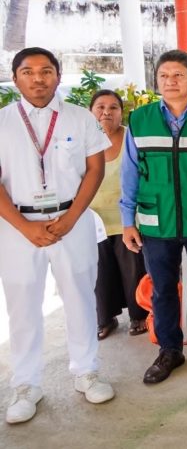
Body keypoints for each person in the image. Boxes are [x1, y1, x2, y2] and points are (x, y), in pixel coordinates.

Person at [0, 47, 114, 424]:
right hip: (19, 227)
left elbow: (94, 169)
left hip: (73, 221)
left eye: (46, 71)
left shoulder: (80, 118)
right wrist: (25, 226)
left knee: (80, 296)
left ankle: (86, 371)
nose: (38, 79)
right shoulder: (3, 122)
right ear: (15, 78)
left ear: (58, 76)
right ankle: (26, 384)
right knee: (23, 306)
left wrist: (71, 218)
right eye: (28, 72)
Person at [121, 50, 187, 386]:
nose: (171, 82)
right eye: (164, 76)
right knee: (163, 289)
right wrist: (128, 220)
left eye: (178, 75)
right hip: (156, 221)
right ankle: (169, 349)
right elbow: (129, 174)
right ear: (157, 81)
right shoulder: (140, 120)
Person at [89, 90, 147, 340]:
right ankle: (105, 318)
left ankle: (139, 316)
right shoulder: (82, 141)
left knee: (133, 270)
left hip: (128, 219)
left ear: (121, 112)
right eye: (100, 107)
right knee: (100, 273)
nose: (106, 112)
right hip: (93, 219)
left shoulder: (130, 138)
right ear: (91, 112)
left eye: (113, 107)